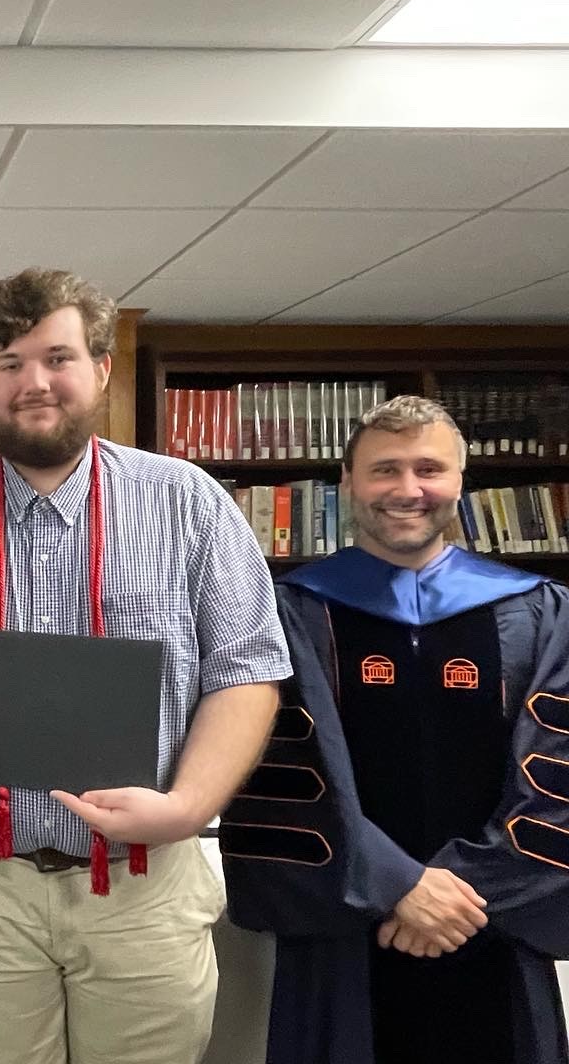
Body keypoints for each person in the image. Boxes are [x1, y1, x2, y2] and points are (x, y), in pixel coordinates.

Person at [0, 267, 292, 1064]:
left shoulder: (188, 502)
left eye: (57, 358)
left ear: (99, 368)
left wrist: (191, 806)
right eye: (8, 363)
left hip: (143, 880)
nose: (35, 383)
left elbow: (248, 668)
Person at [221, 395, 569, 1064]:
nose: (408, 490)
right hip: (346, 927)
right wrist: (396, 886)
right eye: (385, 471)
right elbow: (284, 772)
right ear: (347, 482)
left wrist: (469, 893)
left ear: (460, 483)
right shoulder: (288, 613)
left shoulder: (540, 611)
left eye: (429, 469)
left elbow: (557, 772)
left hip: (489, 923)